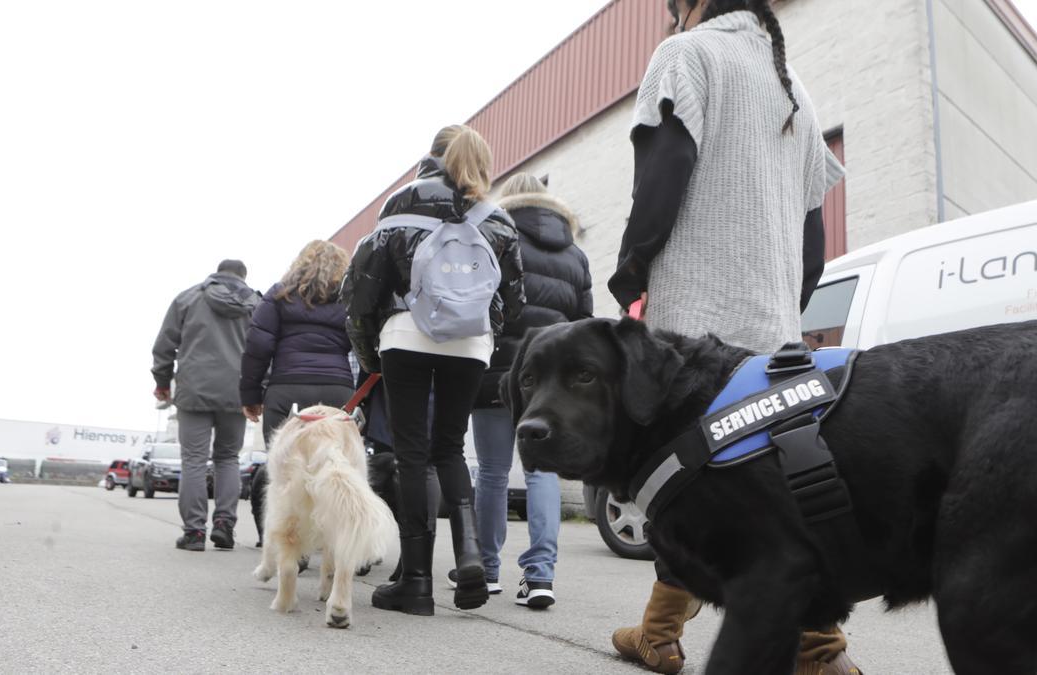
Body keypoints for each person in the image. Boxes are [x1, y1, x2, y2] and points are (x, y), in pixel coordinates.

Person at [607, 1, 853, 673]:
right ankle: (817, 650)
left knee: (685, 479)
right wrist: (783, 306)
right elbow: (813, 239)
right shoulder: (791, 86)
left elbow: (663, 174)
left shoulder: (687, 56)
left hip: (694, 319)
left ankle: (672, 635)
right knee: (769, 486)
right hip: (773, 326)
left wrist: (630, 270)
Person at [343, 124, 525, 615]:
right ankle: (469, 557)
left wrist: (367, 354)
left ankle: (417, 581)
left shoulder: (401, 204)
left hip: (405, 337)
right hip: (470, 345)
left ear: (432, 157)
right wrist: (482, 336)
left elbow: (363, 288)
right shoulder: (499, 219)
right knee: (449, 448)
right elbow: (513, 299)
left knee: (410, 455)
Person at [469, 173, 593, 608]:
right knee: (543, 473)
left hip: (495, 371)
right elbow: (584, 325)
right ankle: (539, 577)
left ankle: (485, 573)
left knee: (491, 473)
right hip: (552, 385)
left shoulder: (493, 237)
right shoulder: (576, 255)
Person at [239, 240, 355, 548]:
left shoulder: (279, 295)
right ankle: (336, 544)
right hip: (337, 391)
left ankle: (288, 545)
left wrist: (250, 395)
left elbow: (258, 347)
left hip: (287, 388)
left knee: (284, 470)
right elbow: (365, 342)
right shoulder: (350, 298)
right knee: (336, 469)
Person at [152, 259, 260, 552]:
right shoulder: (256, 304)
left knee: (194, 460)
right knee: (228, 458)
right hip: (236, 393)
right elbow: (264, 350)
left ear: (216, 272)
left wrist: (162, 381)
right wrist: (257, 392)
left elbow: (165, 344)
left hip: (193, 390)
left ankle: (195, 532)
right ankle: (225, 525)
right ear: (243, 277)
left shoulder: (188, 297)